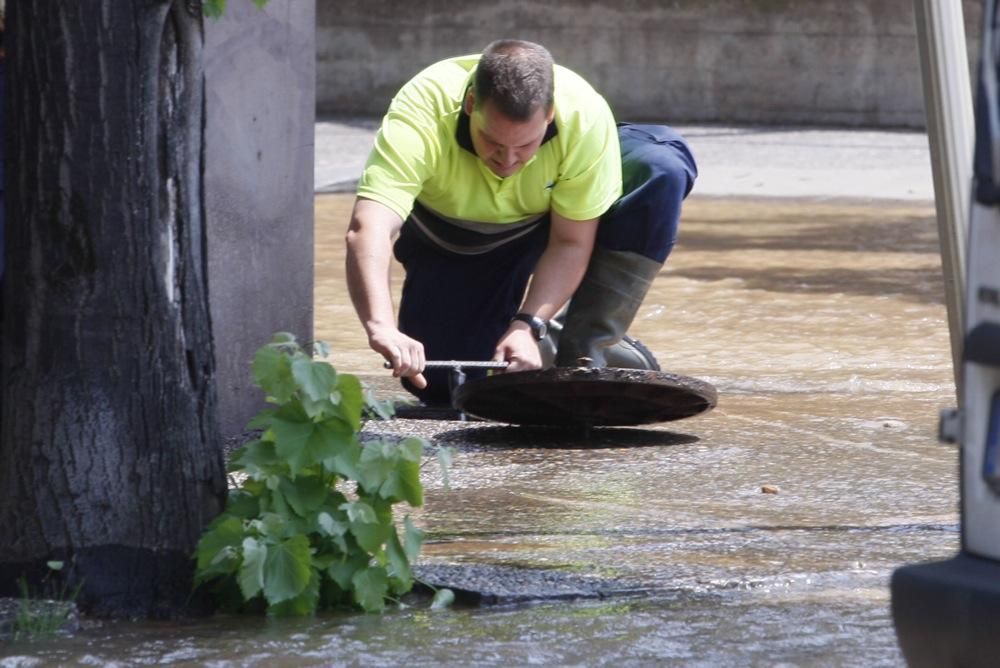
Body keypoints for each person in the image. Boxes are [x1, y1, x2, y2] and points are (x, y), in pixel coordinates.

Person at [346, 39, 697, 405]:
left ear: (549, 115)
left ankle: (588, 352)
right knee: (444, 384)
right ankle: (547, 342)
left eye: (526, 145)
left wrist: (528, 323)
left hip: (546, 216)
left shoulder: (584, 116)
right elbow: (368, 228)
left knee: (661, 167)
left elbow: (570, 242)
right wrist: (381, 326)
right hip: (460, 237)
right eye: (492, 141)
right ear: (470, 107)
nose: (509, 160)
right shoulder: (423, 110)